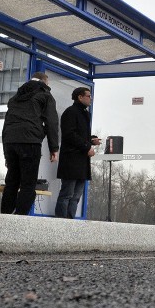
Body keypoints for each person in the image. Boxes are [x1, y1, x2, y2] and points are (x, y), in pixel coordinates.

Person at [1, 72, 60, 216]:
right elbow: (52, 123)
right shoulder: (45, 95)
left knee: (11, 182)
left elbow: (6, 124)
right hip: (30, 142)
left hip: (10, 141)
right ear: (44, 82)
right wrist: (54, 148)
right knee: (28, 183)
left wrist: (6, 153)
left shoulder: (15, 98)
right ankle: (19, 219)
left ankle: (4, 217)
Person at [54, 87, 100, 219]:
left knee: (75, 197)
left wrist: (91, 140)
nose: (90, 98)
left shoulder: (85, 113)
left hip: (81, 162)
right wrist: (87, 147)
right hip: (71, 160)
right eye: (88, 96)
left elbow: (79, 135)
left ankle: (70, 223)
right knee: (67, 194)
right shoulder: (70, 112)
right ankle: (61, 222)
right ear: (80, 97)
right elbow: (69, 135)